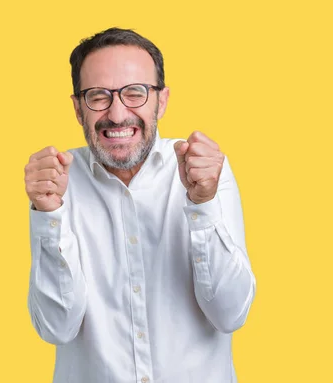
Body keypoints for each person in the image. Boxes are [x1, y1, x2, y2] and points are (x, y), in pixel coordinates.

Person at [24, 27, 256, 383]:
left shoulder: (206, 173)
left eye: (135, 93)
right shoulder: (57, 182)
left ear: (161, 101)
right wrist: (48, 215)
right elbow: (57, 327)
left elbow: (231, 314)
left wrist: (203, 204)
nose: (117, 114)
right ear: (76, 108)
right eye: (98, 96)